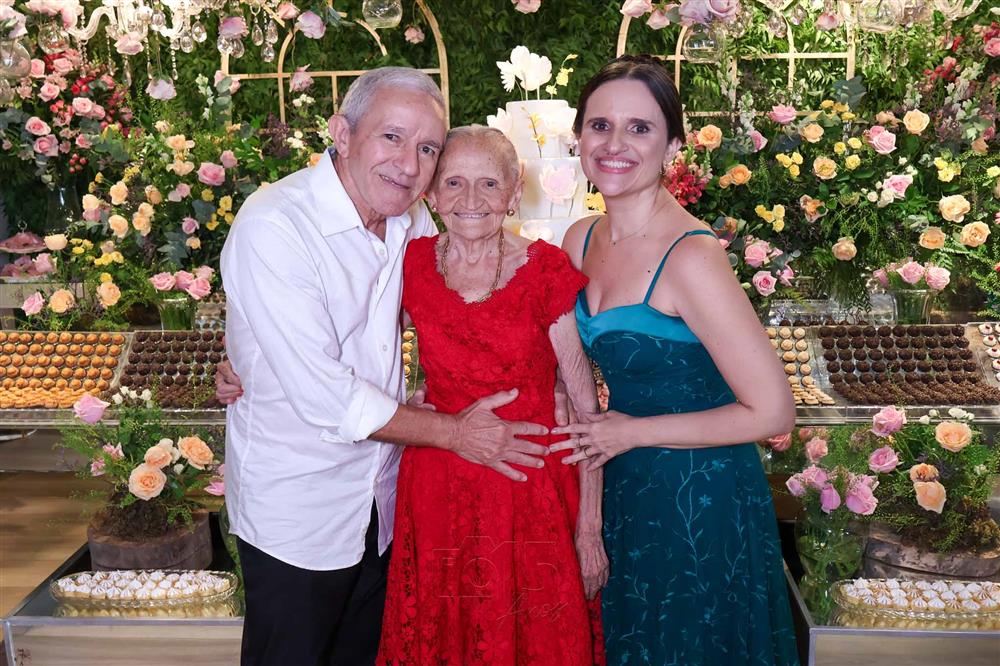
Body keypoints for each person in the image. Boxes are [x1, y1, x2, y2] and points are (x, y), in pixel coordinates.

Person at [219, 68, 550, 666]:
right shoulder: (276, 223)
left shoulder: (411, 221)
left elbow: (455, 314)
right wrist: (456, 432)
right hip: (301, 509)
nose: (408, 164)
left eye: (427, 148)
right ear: (342, 134)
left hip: (383, 500)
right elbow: (326, 397)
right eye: (392, 137)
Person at [550, 55, 801, 666]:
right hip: (625, 484)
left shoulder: (691, 256)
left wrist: (633, 433)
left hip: (701, 493)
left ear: (672, 147)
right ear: (579, 137)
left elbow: (772, 411)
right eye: (600, 125)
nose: (614, 144)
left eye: (639, 128)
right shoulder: (580, 239)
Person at [375, 126, 606, 665]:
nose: (471, 200)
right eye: (454, 182)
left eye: (489, 183)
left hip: (530, 490)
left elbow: (586, 408)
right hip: (437, 491)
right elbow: (351, 338)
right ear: (432, 193)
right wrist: (252, 366)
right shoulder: (411, 264)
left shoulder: (546, 270)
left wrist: (590, 528)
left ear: (513, 191)